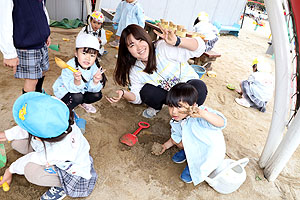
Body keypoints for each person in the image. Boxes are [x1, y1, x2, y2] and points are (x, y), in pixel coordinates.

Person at [0, 92, 97, 200]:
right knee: (16, 141)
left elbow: (31, 158)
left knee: (31, 171)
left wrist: (10, 170)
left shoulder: (58, 151)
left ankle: (61, 187)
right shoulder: (59, 111)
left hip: (71, 171)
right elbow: (32, 125)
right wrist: (6, 134)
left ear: (38, 138)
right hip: (52, 151)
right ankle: (42, 159)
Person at [106, 24, 207, 118]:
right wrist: (123, 93)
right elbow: (137, 97)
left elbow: (200, 48)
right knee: (146, 92)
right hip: (168, 96)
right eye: (132, 45)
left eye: (140, 40)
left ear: (146, 38)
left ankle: (189, 113)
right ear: (127, 50)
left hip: (186, 90)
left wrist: (178, 41)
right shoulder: (135, 70)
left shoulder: (163, 47)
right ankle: (158, 107)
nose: (139, 47)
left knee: (199, 87)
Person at [154, 83, 226, 185]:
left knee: (199, 163)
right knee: (178, 139)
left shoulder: (200, 115)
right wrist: (165, 146)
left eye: (179, 106)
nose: (174, 112)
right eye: (171, 106)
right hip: (193, 145)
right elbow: (176, 135)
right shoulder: (177, 120)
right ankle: (187, 153)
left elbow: (222, 123)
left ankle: (193, 168)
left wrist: (203, 114)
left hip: (207, 152)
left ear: (193, 105)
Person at [0, 0, 51, 94]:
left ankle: (38, 93)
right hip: (26, 43)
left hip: (40, 41)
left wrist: (46, 31)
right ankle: (28, 104)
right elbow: (3, 21)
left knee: (43, 70)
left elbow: (42, 9)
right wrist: (9, 54)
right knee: (32, 79)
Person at [53, 33, 107, 113]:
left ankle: (81, 102)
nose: (88, 58)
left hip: (82, 90)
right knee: (77, 97)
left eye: (92, 55)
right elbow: (72, 89)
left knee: (97, 95)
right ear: (76, 53)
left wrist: (95, 82)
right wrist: (77, 81)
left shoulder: (94, 67)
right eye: (84, 53)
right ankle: (65, 109)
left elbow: (91, 88)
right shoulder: (69, 66)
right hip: (66, 91)